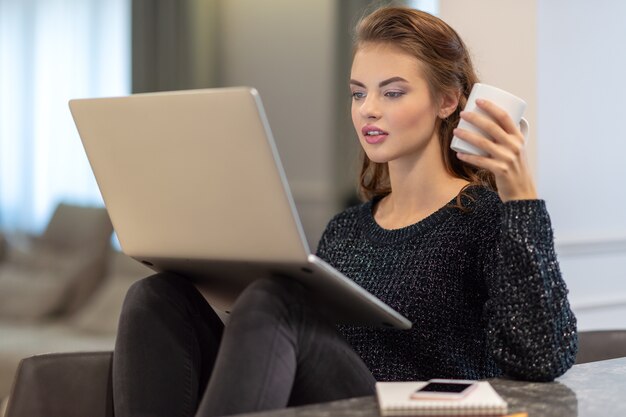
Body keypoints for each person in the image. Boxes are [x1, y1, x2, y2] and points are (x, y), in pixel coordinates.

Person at [112, 6, 578, 417]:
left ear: (447, 100)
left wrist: (521, 195)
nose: (368, 110)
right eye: (358, 93)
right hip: (327, 403)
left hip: (421, 410)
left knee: (276, 300)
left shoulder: (485, 218)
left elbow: (542, 357)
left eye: (392, 93)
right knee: (155, 295)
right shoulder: (347, 229)